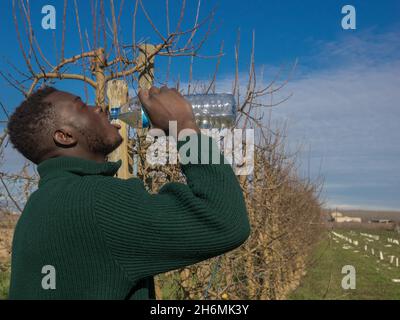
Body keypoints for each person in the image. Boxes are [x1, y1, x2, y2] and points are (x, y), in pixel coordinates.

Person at [6, 86, 250, 299]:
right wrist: (184, 126)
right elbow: (225, 220)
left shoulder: (36, 208)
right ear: (65, 136)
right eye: (82, 106)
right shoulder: (96, 201)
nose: (99, 107)